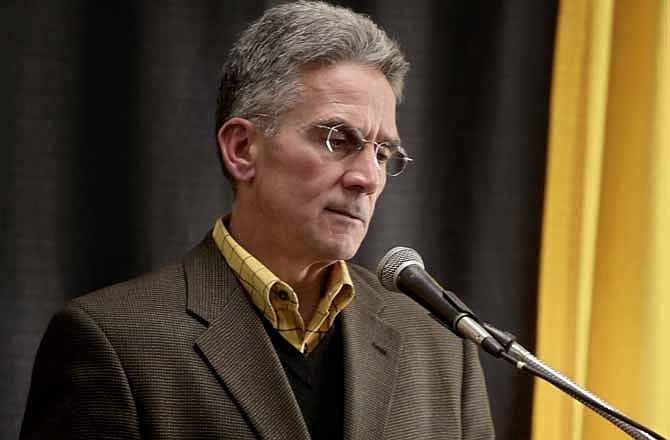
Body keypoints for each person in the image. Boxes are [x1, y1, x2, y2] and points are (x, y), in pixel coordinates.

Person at [20, 2, 494, 439]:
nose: (368, 178)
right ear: (243, 149)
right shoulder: (114, 343)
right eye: (338, 139)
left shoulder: (441, 347)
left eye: (383, 152)